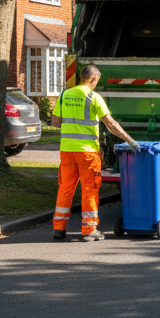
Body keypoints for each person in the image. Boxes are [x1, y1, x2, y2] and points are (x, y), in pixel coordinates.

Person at [49, 63, 139, 241]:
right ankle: (89, 230)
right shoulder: (94, 97)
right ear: (93, 79)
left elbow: (55, 123)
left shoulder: (64, 95)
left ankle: (58, 229)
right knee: (89, 189)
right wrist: (130, 140)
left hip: (67, 150)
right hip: (87, 153)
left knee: (65, 188)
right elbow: (111, 124)